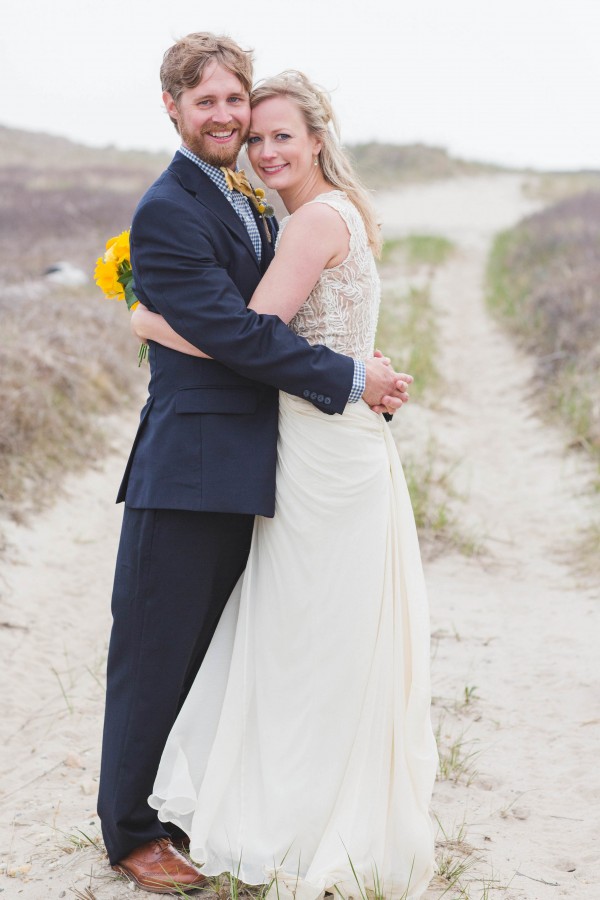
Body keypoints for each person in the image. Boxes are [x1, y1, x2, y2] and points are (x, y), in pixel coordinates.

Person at [97, 33, 412, 895]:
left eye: (237, 100)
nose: (230, 118)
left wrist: (151, 320)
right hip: (192, 463)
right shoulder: (169, 208)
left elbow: (286, 306)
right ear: (173, 107)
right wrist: (350, 376)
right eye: (209, 103)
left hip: (262, 460)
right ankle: (129, 830)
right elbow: (241, 334)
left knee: (219, 652)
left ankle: (201, 803)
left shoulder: (250, 195)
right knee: (155, 648)